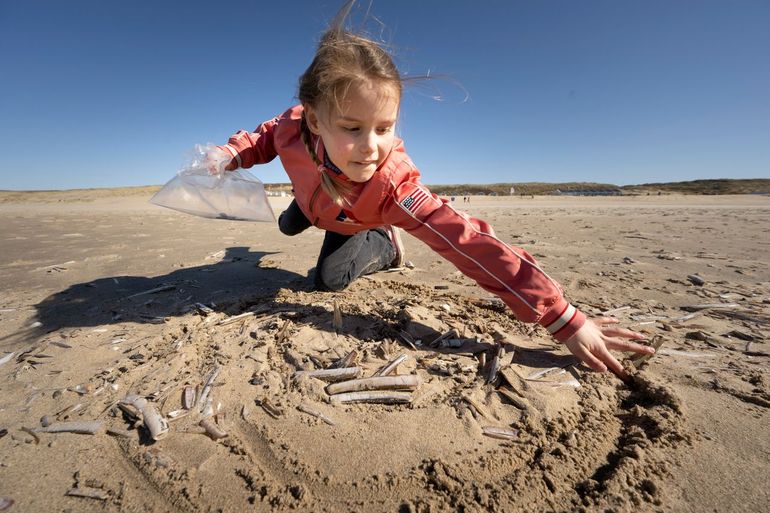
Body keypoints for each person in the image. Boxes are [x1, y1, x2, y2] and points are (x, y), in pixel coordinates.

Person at [211, 0, 654, 379]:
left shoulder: (395, 188)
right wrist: (229, 155)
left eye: (383, 128)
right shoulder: (292, 126)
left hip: (355, 217)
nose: (370, 146)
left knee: (326, 282)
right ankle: (307, 209)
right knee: (289, 225)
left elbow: (469, 242)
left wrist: (562, 317)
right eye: (352, 127)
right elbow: (263, 138)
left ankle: (384, 243)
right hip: (316, 197)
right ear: (314, 120)